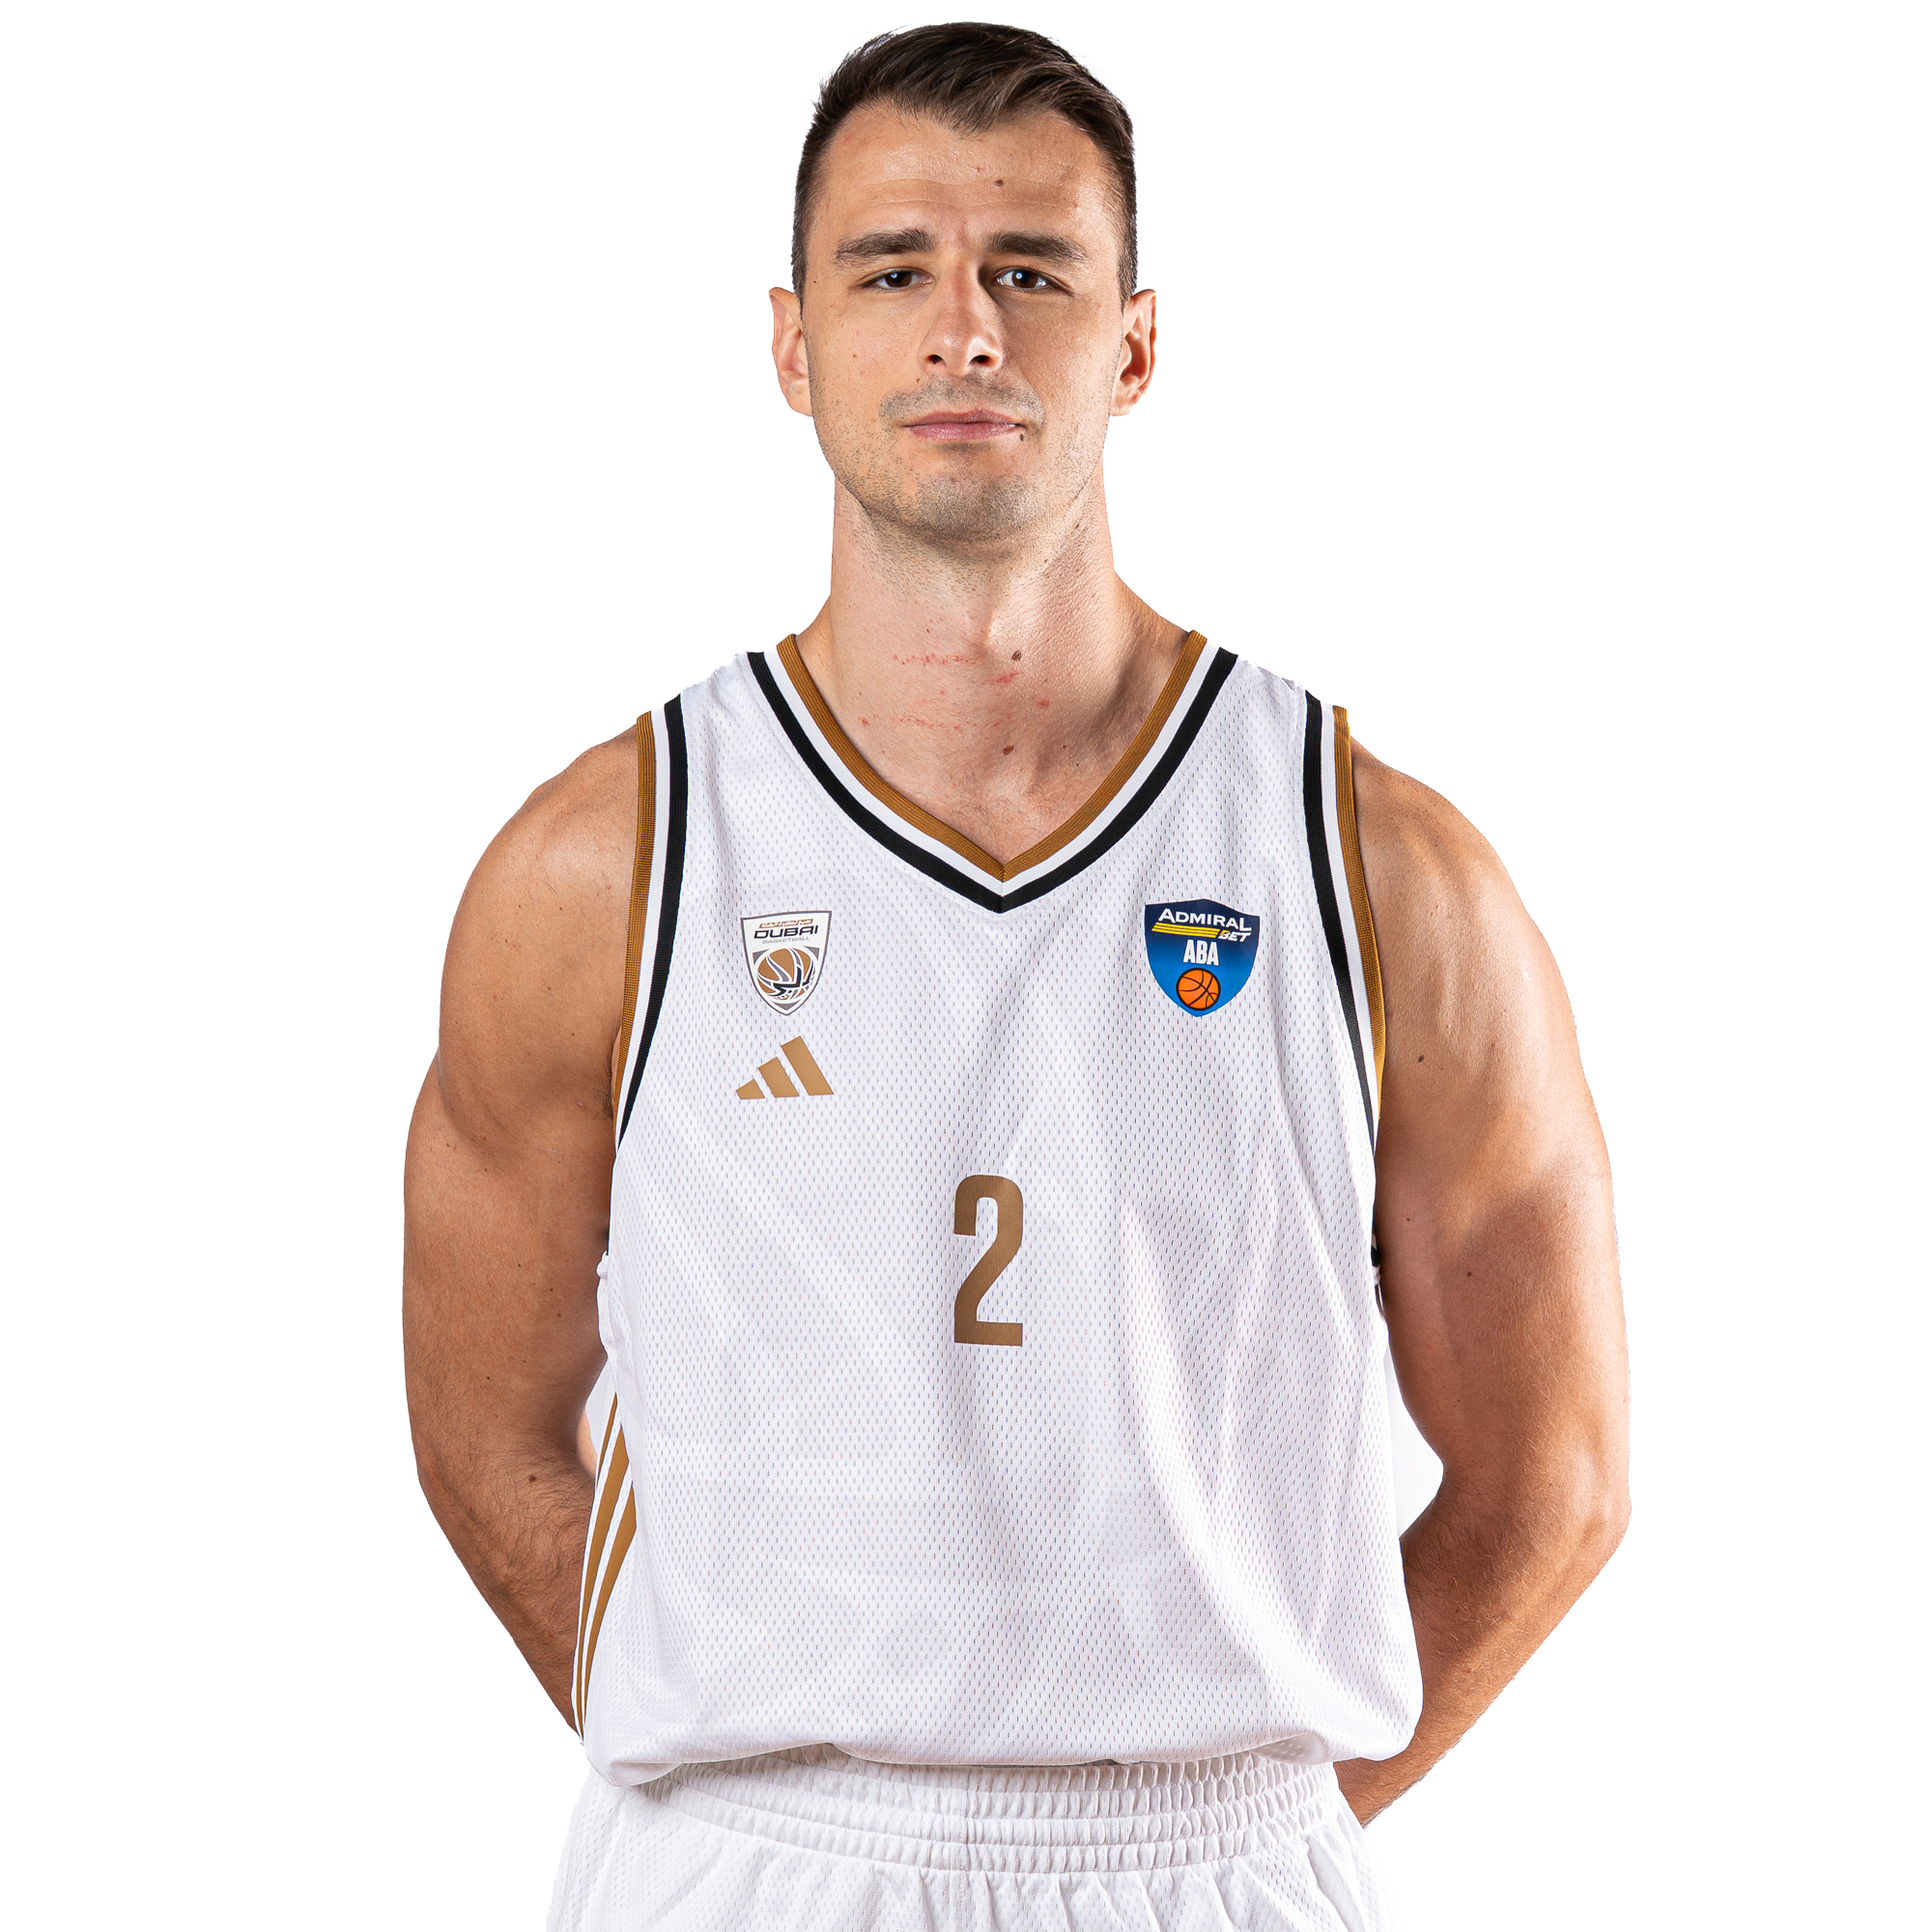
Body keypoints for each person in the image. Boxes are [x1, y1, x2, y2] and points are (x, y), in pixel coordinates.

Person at [405, 21, 1629, 1930]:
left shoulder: (1379, 873)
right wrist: (731, 1765)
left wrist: (1243, 1824)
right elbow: (484, 1422)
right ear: (793, 346)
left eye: (1031, 273)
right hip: (745, 1864)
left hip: (1210, 1861)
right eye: (892, 270)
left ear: (1131, 347)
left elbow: (1556, 1481)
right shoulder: (601, 870)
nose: (963, 329)